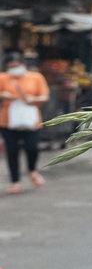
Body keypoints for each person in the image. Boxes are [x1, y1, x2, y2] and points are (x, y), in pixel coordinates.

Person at [0, 52, 50, 195]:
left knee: (32, 148)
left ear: (23, 64)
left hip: (31, 119)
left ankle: (32, 169)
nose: (13, 69)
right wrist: (3, 95)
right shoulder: (3, 78)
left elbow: (45, 96)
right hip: (7, 121)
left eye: (15, 66)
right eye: (10, 66)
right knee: (12, 151)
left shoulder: (36, 77)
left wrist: (31, 99)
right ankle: (15, 181)